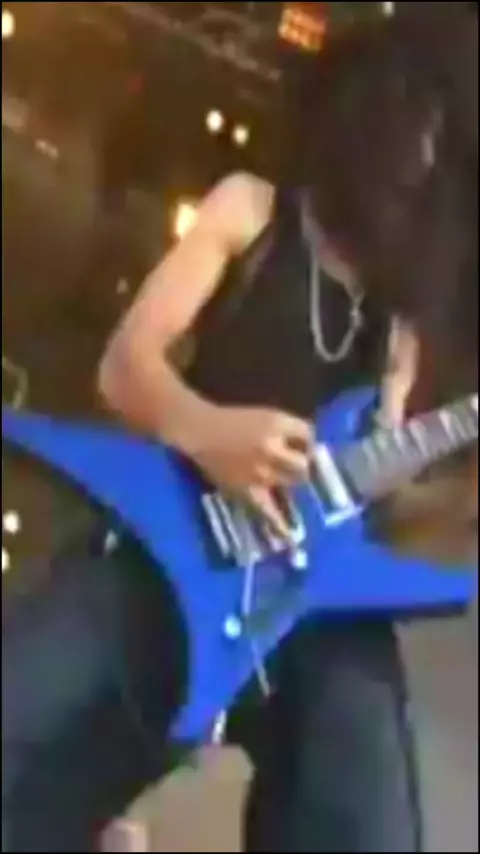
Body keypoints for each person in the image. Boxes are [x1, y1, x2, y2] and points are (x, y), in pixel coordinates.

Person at [3, 4, 478, 852]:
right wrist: (209, 432)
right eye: (421, 128)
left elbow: (387, 499)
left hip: (306, 608)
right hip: (171, 546)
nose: (425, 162)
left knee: (367, 814)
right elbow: (125, 367)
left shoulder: (401, 318)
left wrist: (441, 498)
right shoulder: (250, 210)